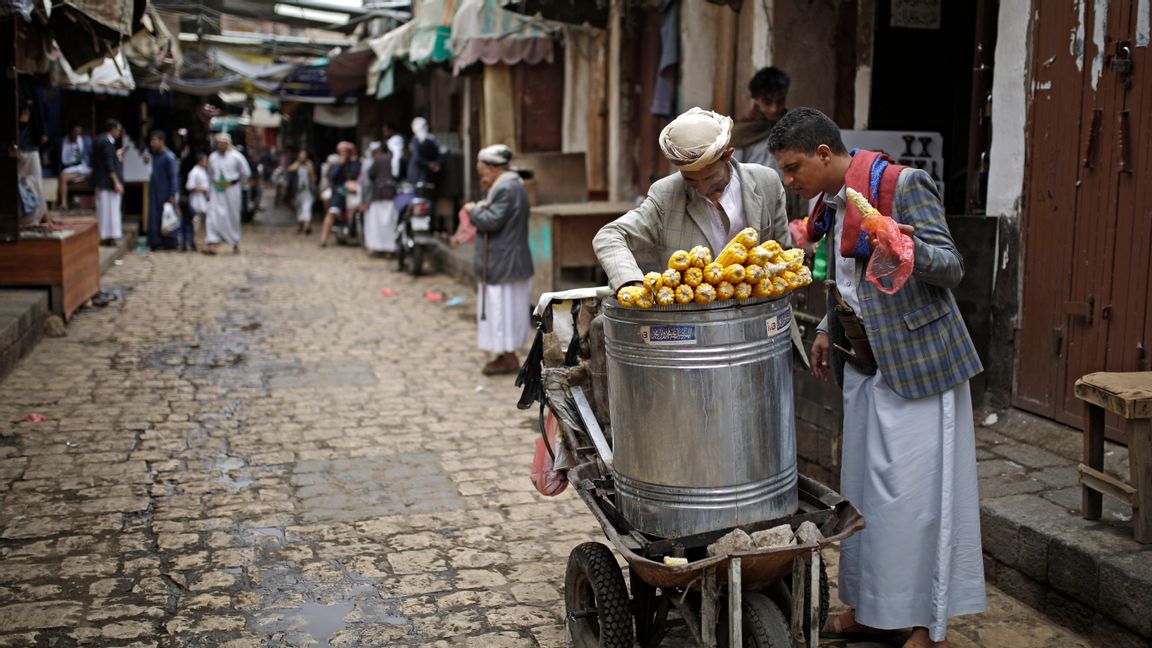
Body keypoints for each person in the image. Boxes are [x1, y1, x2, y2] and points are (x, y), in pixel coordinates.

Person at [767, 107, 985, 648]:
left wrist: (904, 247)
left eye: (794, 169)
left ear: (824, 154)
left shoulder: (903, 185)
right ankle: (873, 613)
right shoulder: (833, 205)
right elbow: (849, 281)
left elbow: (952, 267)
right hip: (864, 362)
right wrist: (824, 327)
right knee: (868, 499)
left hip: (919, 364)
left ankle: (927, 627)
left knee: (916, 502)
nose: (790, 182)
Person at [593, 107, 792, 290]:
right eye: (690, 180)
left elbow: (783, 252)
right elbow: (609, 236)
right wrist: (630, 281)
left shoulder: (767, 182)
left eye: (711, 178)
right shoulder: (666, 195)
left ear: (727, 155)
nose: (703, 189)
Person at [468, 145, 533, 375]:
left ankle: (508, 357)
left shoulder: (506, 188)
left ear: (494, 169)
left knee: (503, 309)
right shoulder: (507, 186)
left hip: (505, 261)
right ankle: (507, 354)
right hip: (506, 260)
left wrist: (473, 211)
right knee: (505, 309)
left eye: (483, 172)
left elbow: (491, 221)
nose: (482, 178)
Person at [731, 67, 790, 170]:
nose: (774, 109)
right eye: (767, 102)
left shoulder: (792, 128)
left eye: (780, 102)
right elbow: (733, 172)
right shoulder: (742, 133)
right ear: (756, 99)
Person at [205, 132, 250, 254]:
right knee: (213, 214)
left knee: (232, 215)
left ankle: (234, 242)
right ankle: (212, 242)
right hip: (216, 190)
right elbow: (209, 174)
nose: (220, 146)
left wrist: (238, 185)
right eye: (218, 143)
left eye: (223, 143)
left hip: (232, 190)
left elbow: (245, 173)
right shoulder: (213, 157)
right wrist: (209, 189)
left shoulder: (237, 157)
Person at [361, 141, 400, 255]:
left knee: (376, 223)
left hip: (378, 194)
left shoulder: (377, 161)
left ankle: (378, 247)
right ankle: (390, 247)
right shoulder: (393, 159)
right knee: (390, 223)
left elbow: (369, 178)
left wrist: (365, 199)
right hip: (391, 194)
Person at [319, 141, 360, 248]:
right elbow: (331, 177)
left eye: (346, 152)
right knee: (331, 212)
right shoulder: (336, 164)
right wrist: (340, 165)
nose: (344, 154)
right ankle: (323, 239)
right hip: (338, 192)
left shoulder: (355, 164)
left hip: (351, 192)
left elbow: (355, 176)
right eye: (342, 152)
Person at [92, 119, 125, 245]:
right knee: (110, 210)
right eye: (118, 130)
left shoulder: (99, 140)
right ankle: (109, 236)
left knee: (104, 210)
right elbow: (108, 164)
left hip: (101, 181)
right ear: (112, 129)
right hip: (107, 183)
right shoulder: (107, 143)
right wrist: (116, 182)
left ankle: (105, 235)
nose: (119, 132)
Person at [147, 131, 180, 250]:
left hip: (165, 192)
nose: (152, 143)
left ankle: (169, 243)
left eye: (154, 140)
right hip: (156, 191)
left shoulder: (169, 157)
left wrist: (172, 194)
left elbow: (173, 177)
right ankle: (156, 242)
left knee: (166, 218)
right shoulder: (155, 156)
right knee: (156, 217)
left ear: (162, 141)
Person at [59, 123, 92, 209]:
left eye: (79, 132)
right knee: (63, 176)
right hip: (69, 168)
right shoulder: (62, 141)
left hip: (84, 167)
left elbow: (93, 154)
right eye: (75, 132)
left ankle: (95, 205)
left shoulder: (86, 141)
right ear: (70, 132)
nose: (77, 134)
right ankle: (64, 203)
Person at [183, 153, 209, 252]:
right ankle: (192, 243)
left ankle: (200, 243)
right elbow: (189, 186)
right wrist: (202, 189)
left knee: (201, 224)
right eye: (205, 160)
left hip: (203, 201)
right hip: (196, 201)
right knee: (195, 223)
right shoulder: (194, 172)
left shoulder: (203, 171)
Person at [288, 149, 316, 234]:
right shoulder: (296, 166)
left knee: (306, 207)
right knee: (300, 208)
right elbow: (289, 170)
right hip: (298, 191)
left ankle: (307, 224)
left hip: (307, 190)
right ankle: (301, 225)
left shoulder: (309, 165)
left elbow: (312, 178)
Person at [406, 117, 441, 185]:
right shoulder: (416, 140)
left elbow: (439, 153)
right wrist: (432, 164)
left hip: (424, 173)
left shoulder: (430, 139)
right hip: (419, 172)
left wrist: (435, 164)